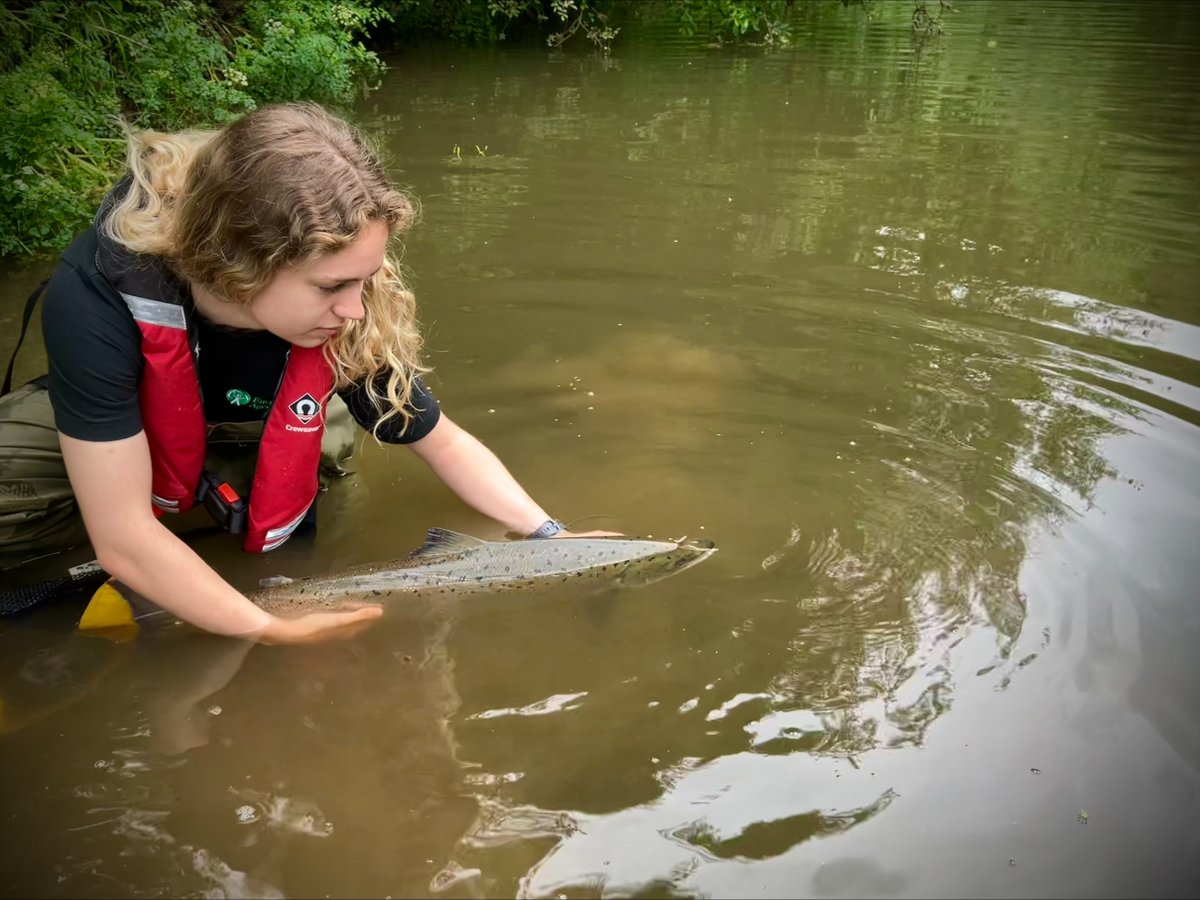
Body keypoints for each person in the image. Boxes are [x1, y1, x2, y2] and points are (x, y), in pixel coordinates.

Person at [0, 102, 608, 643]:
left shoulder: (349, 304)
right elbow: (123, 536)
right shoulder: (96, 297)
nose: (355, 309)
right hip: (129, 415)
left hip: (266, 417)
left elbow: (443, 441)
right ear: (238, 263)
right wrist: (263, 627)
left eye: (364, 279)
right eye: (331, 287)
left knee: (323, 527)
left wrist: (548, 536)